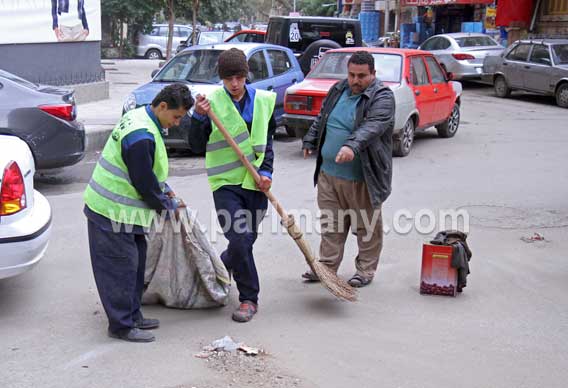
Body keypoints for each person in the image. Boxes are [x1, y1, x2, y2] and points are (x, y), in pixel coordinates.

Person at [84, 83, 193, 342]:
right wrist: (167, 206)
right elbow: (144, 182)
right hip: (110, 212)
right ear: (163, 106)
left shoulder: (143, 117)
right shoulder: (141, 135)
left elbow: (150, 173)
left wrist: (167, 192)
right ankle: (121, 325)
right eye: (176, 116)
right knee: (120, 269)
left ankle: (133, 315)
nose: (177, 123)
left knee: (136, 264)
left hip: (126, 214)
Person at [188, 48, 276, 323]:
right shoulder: (209, 104)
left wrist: (267, 172)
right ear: (221, 79)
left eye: (238, 77)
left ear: (246, 75)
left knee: (244, 243)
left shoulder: (263, 101)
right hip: (225, 183)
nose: (234, 84)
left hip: (255, 182)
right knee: (239, 237)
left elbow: (268, 143)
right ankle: (249, 298)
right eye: (228, 79)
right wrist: (198, 117)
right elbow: (196, 145)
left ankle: (223, 265)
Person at [301, 51, 395, 288]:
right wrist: (310, 139)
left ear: (373, 74)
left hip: (362, 177)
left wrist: (351, 146)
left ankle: (365, 271)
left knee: (366, 227)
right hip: (329, 175)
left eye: (361, 76)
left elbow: (373, 126)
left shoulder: (383, 96)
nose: (355, 80)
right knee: (331, 225)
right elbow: (323, 117)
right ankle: (327, 268)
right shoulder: (339, 89)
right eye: (352, 74)